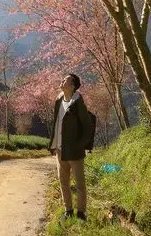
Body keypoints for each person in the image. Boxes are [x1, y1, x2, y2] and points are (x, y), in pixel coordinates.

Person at [48, 73, 91, 221]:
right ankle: (68, 211)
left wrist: (79, 145)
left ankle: (81, 213)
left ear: (72, 86)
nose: (62, 80)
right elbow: (56, 123)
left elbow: (88, 126)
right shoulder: (59, 99)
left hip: (75, 152)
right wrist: (54, 143)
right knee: (63, 182)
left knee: (80, 184)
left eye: (65, 80)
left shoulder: (78, 102)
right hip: (60, 150)